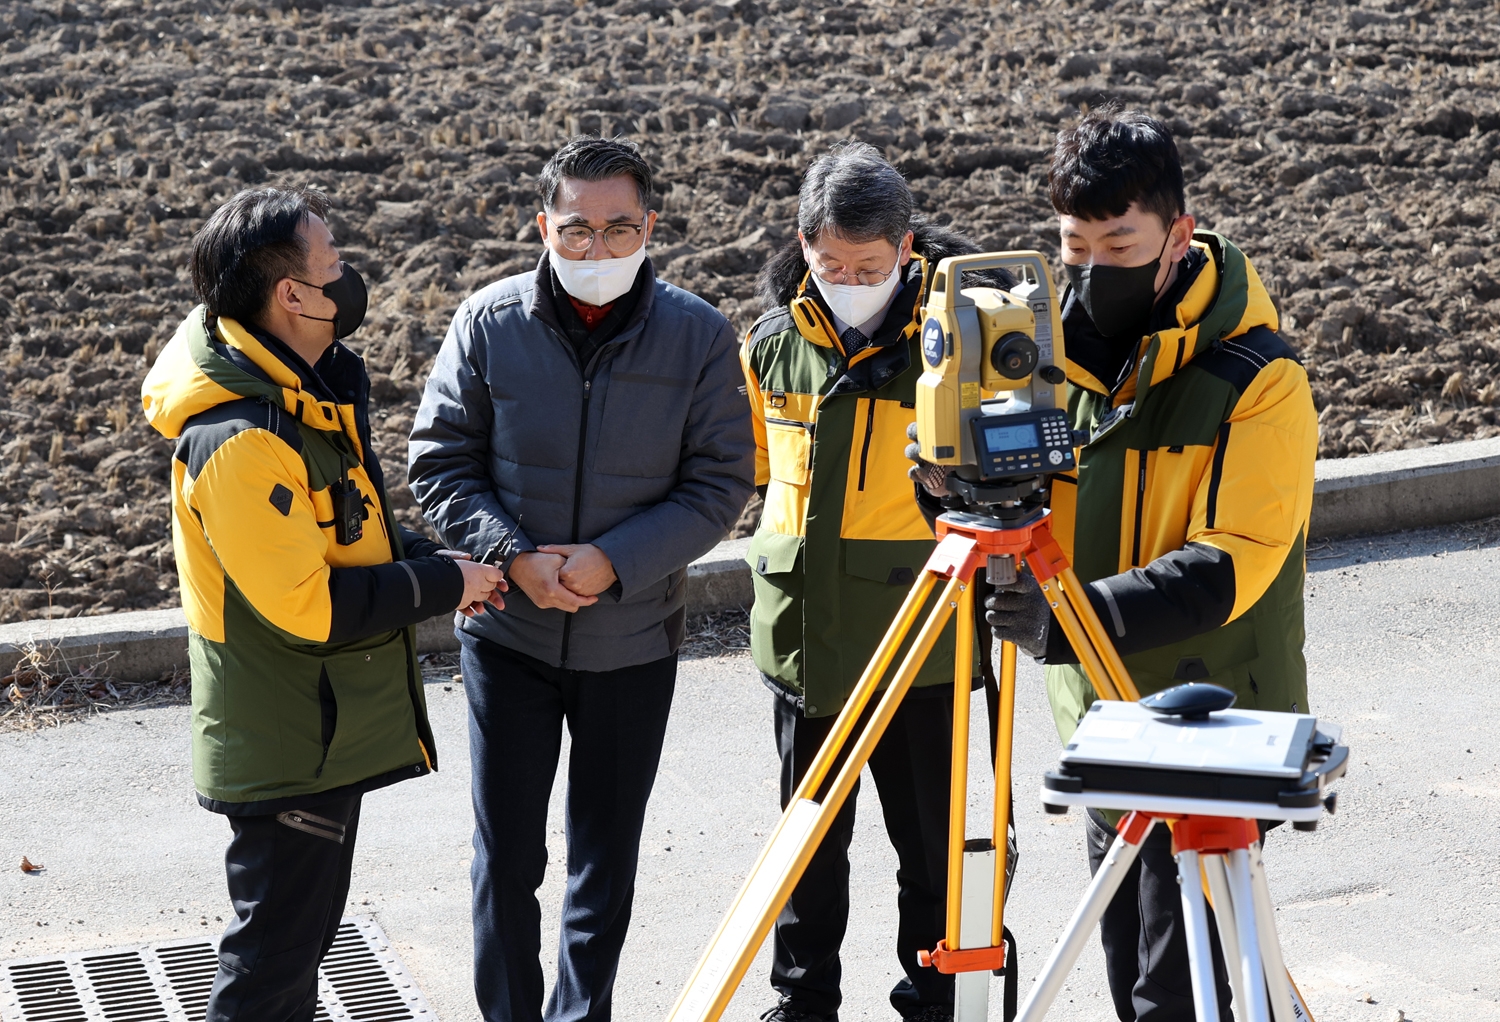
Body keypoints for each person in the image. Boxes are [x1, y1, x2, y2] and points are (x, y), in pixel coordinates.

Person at [407, 136, 755, 1022]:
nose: (596, 251)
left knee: (605, 859)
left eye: (618, 229)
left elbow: (720, 482)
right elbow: (442, 460)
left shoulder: (700, 335)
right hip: (509, 637)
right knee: (507, 858)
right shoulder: (487, 322)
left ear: (650, 228)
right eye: (576, 232)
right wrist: (514, 557)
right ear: (543, 225)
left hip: (632, 638)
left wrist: (614, 563)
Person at [982, 109, 1318, 1020]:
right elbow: (1022, 501)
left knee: (1180, 992)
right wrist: (952, 488)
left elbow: (1230, 566)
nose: (1092, 267)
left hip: (1215, 727)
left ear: (1177, 234)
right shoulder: (1051, 360)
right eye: (1073, 243)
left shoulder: (1260, 379)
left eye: (1117, 241)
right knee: (1132, 971)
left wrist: (1072, 620)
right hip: (1103, 716)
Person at [141, 186, 506, 1022]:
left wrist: (436, 559)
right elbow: (309, 605)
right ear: (291, 296)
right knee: (273, 959)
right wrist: (447, 584)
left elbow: (349, 533)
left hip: (315, 727)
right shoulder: (244, 442)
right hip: (288, 740)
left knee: (294, 945)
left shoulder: (299, 393)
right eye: (333, 264)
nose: (350, 277)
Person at [742, 141, 1015, 1022]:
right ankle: (801, 999)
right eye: (830, 265)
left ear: (907, 247)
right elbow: (754, 470)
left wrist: (956, 487)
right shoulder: (774, 343)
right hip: (807, 639)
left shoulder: (966, 336)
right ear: (803, 243)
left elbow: (1021, 473)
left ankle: (939, 996)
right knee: (807, 847)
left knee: (933, 851)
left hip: (925, 640)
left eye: (869, 265)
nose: (849, 280)